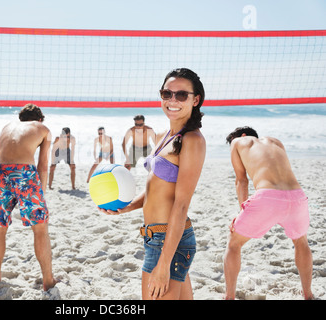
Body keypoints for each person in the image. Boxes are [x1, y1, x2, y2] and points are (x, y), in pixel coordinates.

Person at [101, 68, 206, 300]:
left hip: (168, 241)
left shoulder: (192, 140)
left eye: (181, 95)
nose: (172, 100)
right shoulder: (164, 135)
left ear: (195, 99)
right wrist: (126, 207)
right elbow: (155, 189)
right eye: (166, 93)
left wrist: (163, 265)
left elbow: (180, 205)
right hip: (156, 237)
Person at [224, 126, 313, 300]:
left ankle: (229, 296)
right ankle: (308, 295)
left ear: (242, 135)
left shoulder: (238, 142)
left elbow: (241, 180)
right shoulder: (276, 142)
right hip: (297, 197)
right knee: (301, 242)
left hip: (267, 197)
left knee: (234, 242)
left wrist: (242, 209)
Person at [0, 103, 57, 292]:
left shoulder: (7, 128)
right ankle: (48, 281)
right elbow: (43, 166)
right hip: (24, 173)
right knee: (40, 228)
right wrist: (41, 194)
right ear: (40, 119)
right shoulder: (42, 129)